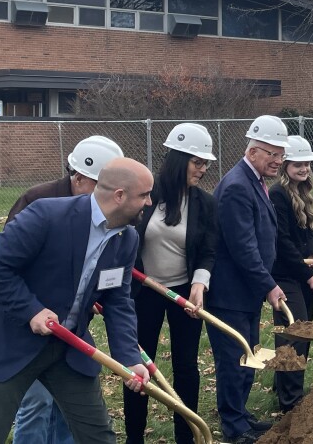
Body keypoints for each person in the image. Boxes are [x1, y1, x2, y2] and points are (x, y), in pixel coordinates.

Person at [0, 158, 153, 444]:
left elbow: (118, 301)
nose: (149, 202)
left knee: (98, 435)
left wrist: (129, 359)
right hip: (9, 341)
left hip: (68, 347)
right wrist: (32, 311)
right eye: (144, 195)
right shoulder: (47, 215)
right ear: (119, 196)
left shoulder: (127, 238)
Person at [6, 135, 124, 444]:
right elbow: (8, 264)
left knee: (67, 405)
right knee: (37, 402)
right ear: (80, 176)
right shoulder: (38, 202)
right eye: (101, 186)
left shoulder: (109, 214)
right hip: (30, 327)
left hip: (71, 328)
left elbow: (103, 269)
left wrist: (94, 294)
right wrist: (32, 309)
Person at [123, 123, 218, 444]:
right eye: (197, 162)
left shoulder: (205, 204)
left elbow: (208, 250)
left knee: (186, 368)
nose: (203, 169)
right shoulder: (147, 194)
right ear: (179, 158)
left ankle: (186, 436)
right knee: (139, 368)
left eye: (206, 163)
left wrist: (199, 285)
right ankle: (134, 436)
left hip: (183, 294)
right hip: (143, 292)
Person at [206, 115, 289, 444]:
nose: (278, 161)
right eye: (271, 153)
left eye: (280, 155)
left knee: (247, 355)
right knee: (233, 359)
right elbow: (243, 249)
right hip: (231, 293)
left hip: (246, 292)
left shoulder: (252, 180)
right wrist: (268, 285)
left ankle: (240, 414)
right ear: (252, 150)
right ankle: (232, 426)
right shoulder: (238, 186)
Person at [269, 135, 313, 412]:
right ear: (286, 164)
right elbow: (282, 240)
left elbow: (307, 231)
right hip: (284, 274)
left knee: (303, 329)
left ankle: (285, 384)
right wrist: (305, 272)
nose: (303, 169)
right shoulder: (278, 193)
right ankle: (291, 400)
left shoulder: (302, 191)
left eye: (307, 164)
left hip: (300, 272)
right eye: (298, 164)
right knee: (294, 333)